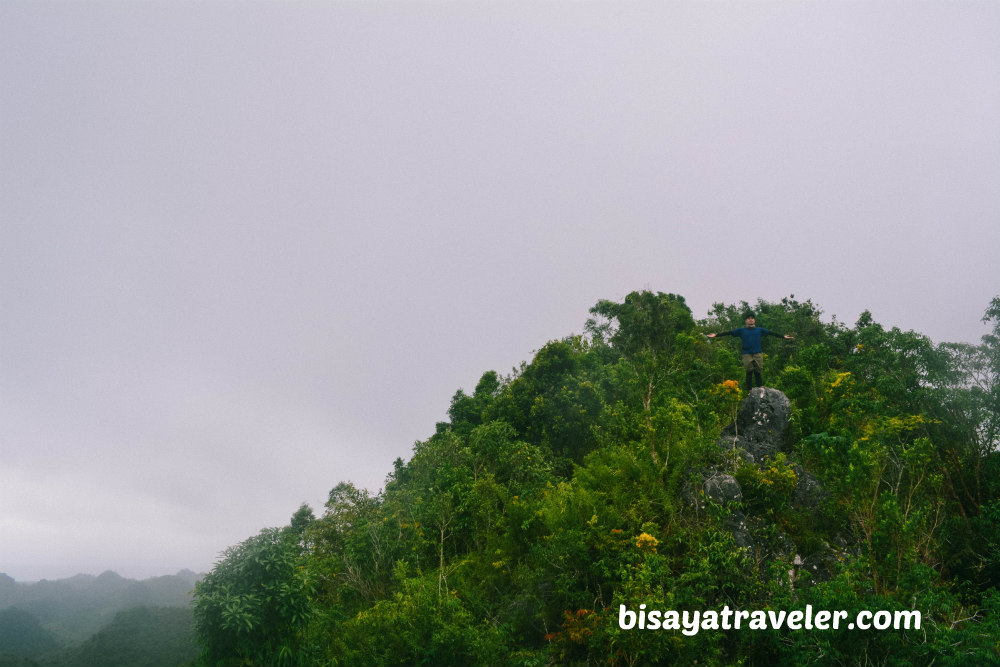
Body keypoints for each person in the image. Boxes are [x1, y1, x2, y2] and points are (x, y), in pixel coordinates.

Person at [707, 313, 793, 390]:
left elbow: (771, 333)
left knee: (758, 372)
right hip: (747, 354)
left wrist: (783, 336)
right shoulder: (741, 330)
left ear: (754, 320)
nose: (750, 319)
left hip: (757, 353)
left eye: (752, 318)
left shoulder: (759, 330)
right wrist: (716, 335)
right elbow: (729, 332)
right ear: (746, 321)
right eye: (748, 318)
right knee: (749, 372)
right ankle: (749, 391)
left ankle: (760, 389)